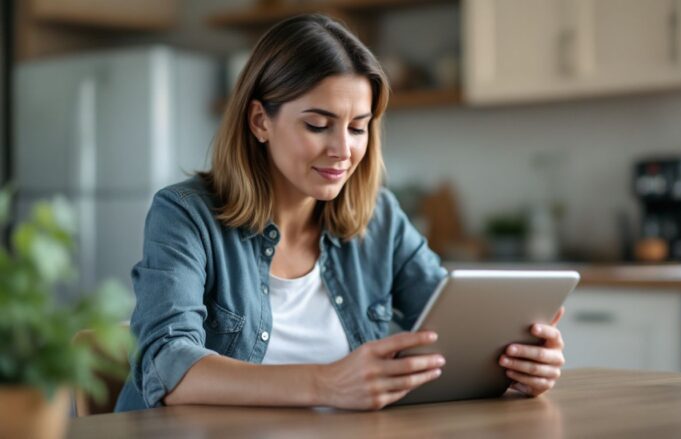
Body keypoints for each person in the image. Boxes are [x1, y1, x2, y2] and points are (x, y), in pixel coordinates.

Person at [114, 14, 566, 412]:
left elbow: (448, 327)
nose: (342, 151)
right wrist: (325, 383)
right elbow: (166, 363)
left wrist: (519, 362)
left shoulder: (379, 218)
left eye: (357, 128)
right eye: (317, 125)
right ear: (259, 121)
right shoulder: (185, 214)